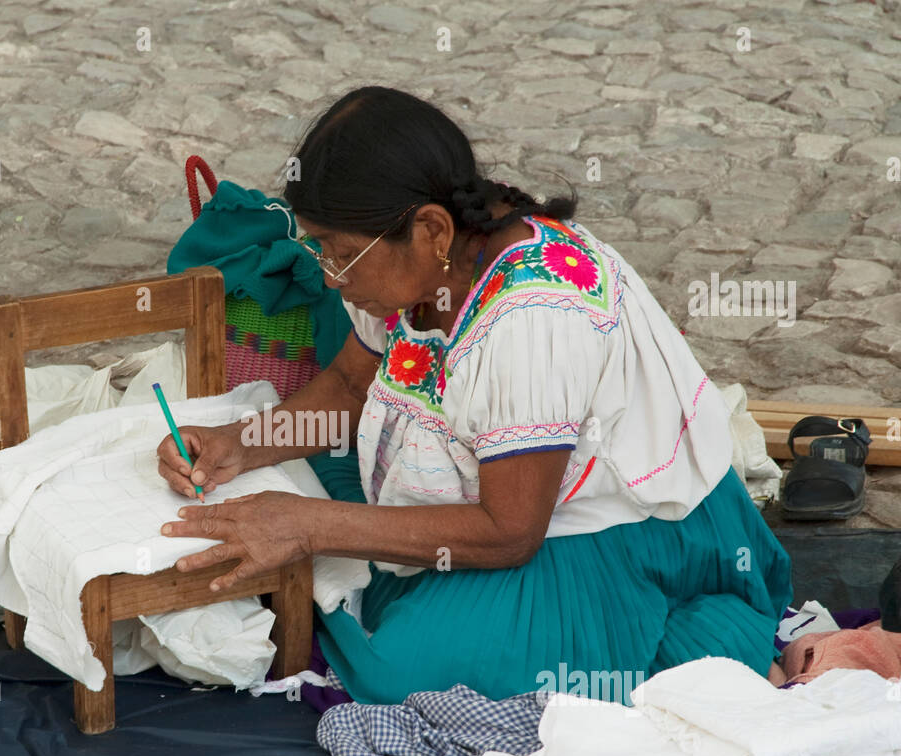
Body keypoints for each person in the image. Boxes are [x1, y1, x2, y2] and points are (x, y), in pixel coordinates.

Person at [155, 86, 792, 705]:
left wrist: (310, 528)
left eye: (340, 253)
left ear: (431, 228)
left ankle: (688, 635)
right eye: (320, 248)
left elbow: (511, 531)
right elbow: (354, 384)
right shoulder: (424, 267)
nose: (327, 274)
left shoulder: (532, 318)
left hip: (629, 533)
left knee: (402, 674)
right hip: (508, 500)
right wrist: (239, 445)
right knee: (317, 477)